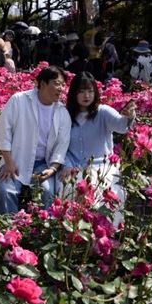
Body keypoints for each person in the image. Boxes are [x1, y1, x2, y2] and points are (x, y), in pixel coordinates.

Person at [58, 72, 135, 221]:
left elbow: (121, 125)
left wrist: (129, 116)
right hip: (74, 166)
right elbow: (62, 145)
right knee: (65, 188)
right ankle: (72, 235)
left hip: (102, 166)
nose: (86, 95)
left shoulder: (103, 112)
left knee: (98, 189)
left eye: (90, 91)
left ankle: (105, 232)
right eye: (81, 91)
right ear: (74, 94)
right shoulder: (66, 115)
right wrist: (67, 165)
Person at [0, 66, 71, 214]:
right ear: (43, 84)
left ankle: (42, 233)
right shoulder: (19, 100)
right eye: (57, 83)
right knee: (7, 191)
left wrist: (53, 168)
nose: (61, 88)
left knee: (48, 193)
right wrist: (9, 162)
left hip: (44, 165)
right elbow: (3, 132)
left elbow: (62, 145)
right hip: (15, 161)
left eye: (63, 84)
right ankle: (8, 231)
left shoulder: (62, 112)